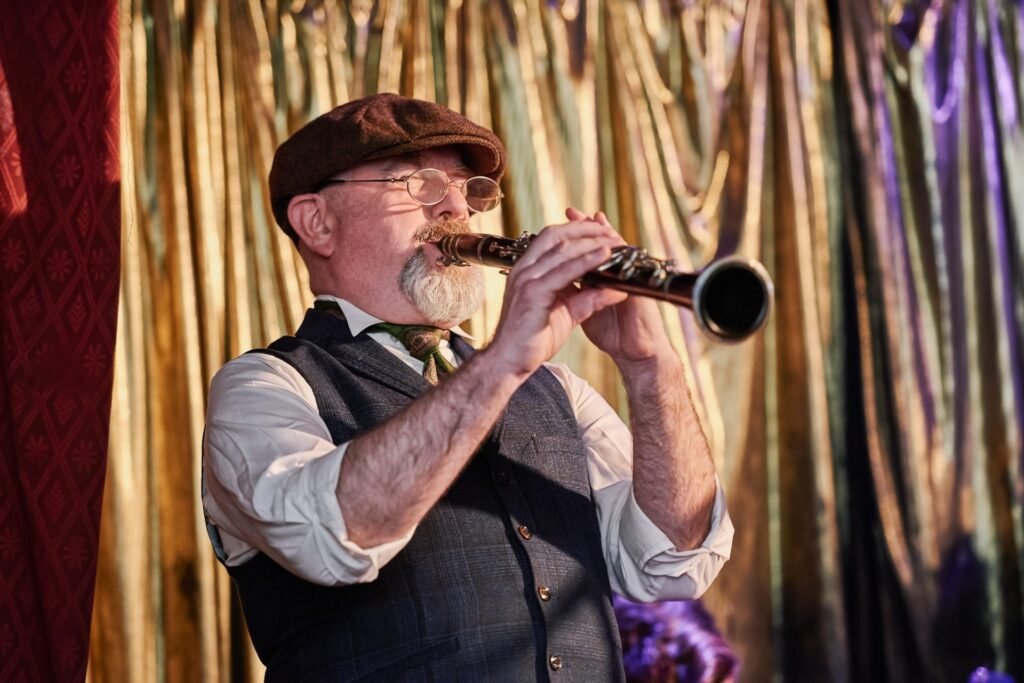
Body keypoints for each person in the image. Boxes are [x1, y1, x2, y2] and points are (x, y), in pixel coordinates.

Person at [202, 92, 734, 682]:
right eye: (421, 183)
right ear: (317, 222)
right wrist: (504, 360)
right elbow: (329, 535)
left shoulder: (558, 390)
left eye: (466, 188)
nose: (457, 206)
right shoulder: (264, 385)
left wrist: (651, 366)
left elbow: (674, 560)